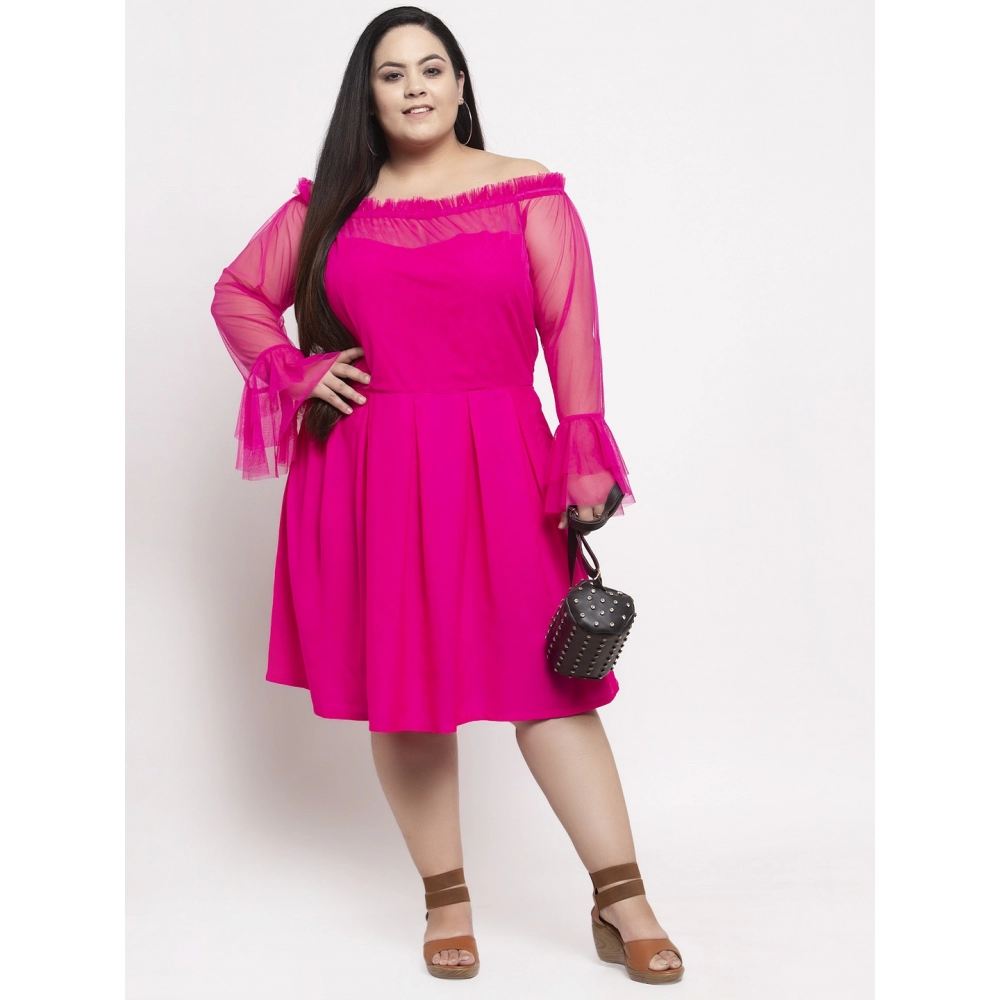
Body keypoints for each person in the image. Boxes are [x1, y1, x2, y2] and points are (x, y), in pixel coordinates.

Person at [210, 5, 683, 985]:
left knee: (551, 686)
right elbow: (238, 295)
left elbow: (570, 328)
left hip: (500, 456)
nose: (415, 86)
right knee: (407, 694)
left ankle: (622, 896)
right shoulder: (326, 207)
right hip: (369, 468)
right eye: (392, 74)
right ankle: (447, 901)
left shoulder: (527, 191)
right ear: (369, 96)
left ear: (460, 84)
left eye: (432, 67)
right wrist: (297, 372)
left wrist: (582, 454)